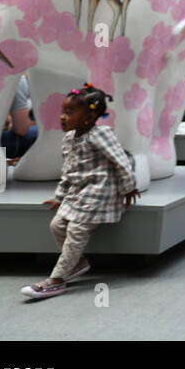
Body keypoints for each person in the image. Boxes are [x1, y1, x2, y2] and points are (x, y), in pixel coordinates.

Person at [20, 85, 139, 300]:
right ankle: (78, 263)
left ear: (88, 117)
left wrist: (128, 188)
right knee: (56, 225)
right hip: (78, 193)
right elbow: (67, 171)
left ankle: (56, 281)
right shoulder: (69, 139)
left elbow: (121, 162)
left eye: (68, 113)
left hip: (97, 194)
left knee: (76, 232)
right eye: (62, 112)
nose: (62, 118)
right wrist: (60, 196)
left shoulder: (101, 134)